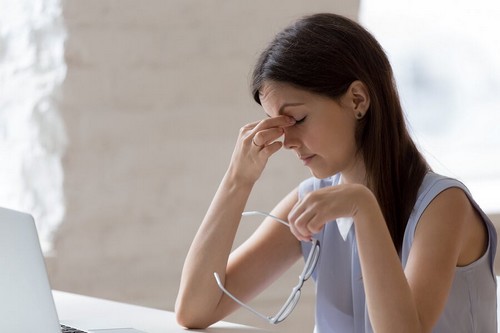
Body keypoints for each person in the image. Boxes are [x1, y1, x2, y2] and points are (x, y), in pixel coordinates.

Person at [175, 13, 497, 333]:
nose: (286, 141)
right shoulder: (310, 201)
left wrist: (363, 206)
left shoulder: (443, 206)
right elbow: (195, 310)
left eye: (297, 120)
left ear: (357, 100)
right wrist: (237, 179)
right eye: (277, 124)